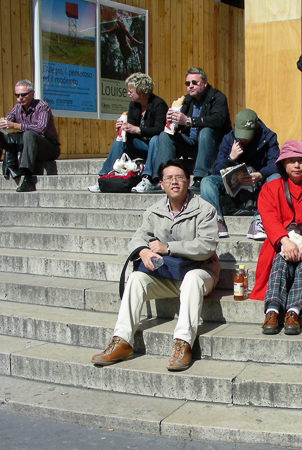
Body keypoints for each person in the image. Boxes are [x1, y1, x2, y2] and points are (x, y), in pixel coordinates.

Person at [91, 159, 220, 371]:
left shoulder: (205, 209)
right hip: (169, 276)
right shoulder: (154, 211)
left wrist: (168, 248)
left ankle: (183, 344)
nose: (174, 182)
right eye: (169, 178)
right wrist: (143, 251)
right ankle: (122, 341)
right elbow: (138, 237)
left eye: (179, 177)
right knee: (136, 278)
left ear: (188, 181)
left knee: (192, 278)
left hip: (201, 274)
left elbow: (206, 246)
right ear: (161, 184)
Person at [249, 140, 302, 335]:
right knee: (280, 262)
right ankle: (272, 310)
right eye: (291, 161)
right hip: (281, 242)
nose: (296, 165)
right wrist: (284, 241)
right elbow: (269, 218)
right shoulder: (270, 189)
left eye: (301, 161)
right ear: (283, 164)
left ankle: (294, 312)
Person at [132, 67, 231, 193]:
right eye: (187, 83)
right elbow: (179, 125)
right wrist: (171, 120)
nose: (190, 86)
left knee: (206, 131)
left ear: (205, 83)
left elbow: (218, 119)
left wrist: (189, 120)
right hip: (191, 144)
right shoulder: (186, 100)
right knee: (164, 135)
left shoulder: (217, 97)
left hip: (212, 145)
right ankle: (161, 179)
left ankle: (200, 178)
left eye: (194, 83)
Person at [200, 109, 280, 239]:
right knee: (207, 182)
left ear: (256, 128)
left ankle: (259, 221)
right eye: (241, 134)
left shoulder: (269, 137)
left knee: (276, 178)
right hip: (234, 184)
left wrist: (261, 174)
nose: (243, 138)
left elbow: (276, 165)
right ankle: (215, 222)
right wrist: (230, 158)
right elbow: (216, 171)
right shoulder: (228, 138)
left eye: (247, 135)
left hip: (259, 182)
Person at [87, 73, 168, 192]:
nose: (128, 93)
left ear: (142, 93)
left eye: (131, 91)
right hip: (140, 145)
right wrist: (123, 128)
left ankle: (148, 179)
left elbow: (159, 129)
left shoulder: (159, 104)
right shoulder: (133, 105)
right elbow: (131, 127)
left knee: (156, 138)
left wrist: (138, 130)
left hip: (155, 147)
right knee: (119, 140)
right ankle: (104, 178)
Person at [0, 79, 60, 192]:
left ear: (32, 94)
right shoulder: (16, 108)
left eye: (23, 95)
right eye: (17, 95)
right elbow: (6, 123)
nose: (20, 98)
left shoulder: (42, 106)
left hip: (49, 148)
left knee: (29, 134)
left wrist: (14, 125)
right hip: (29, 147)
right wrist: (3, 124)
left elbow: (40, 128)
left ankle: (28, 179)